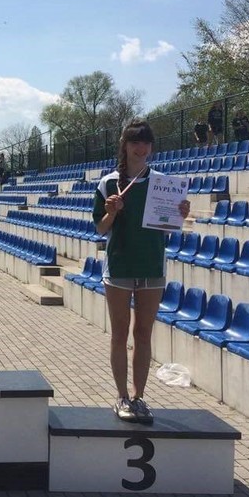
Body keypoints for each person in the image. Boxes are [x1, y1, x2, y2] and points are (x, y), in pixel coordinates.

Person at [92, 119, 190, 424]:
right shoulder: (108, 183)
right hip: (119, 266)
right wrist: (111, 212)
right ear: (125, 145)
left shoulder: (163, 183)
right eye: (135, 142)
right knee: (119, 334)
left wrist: (180, 214)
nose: (141, 148)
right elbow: (100, 229)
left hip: (151, 266)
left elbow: (168, 228)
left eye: (146, 142)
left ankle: (139, 397)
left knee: (144, 334)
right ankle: (122, 396)